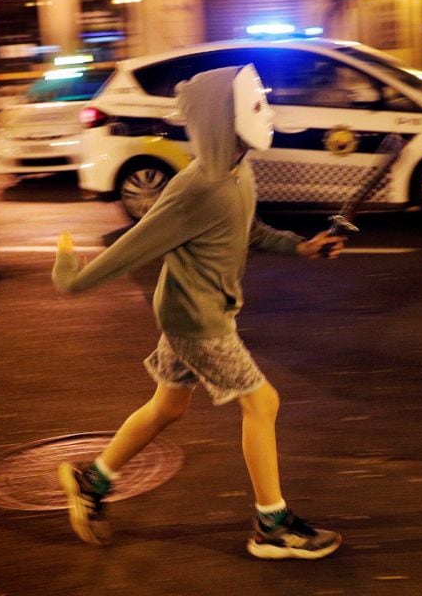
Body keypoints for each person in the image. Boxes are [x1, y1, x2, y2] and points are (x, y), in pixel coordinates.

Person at [52, 64, 345, 560]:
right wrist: (75, 279)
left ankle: (92, 482)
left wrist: (301, 248)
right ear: (220, 117)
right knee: (262, 402)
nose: (264, 112)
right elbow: (137, 244)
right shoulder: (196, 187)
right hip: (197, 319)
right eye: (253, 104)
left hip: (196, 307)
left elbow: (246, 229)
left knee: (169, 406)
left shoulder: (237, 169)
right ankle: (271, 525)